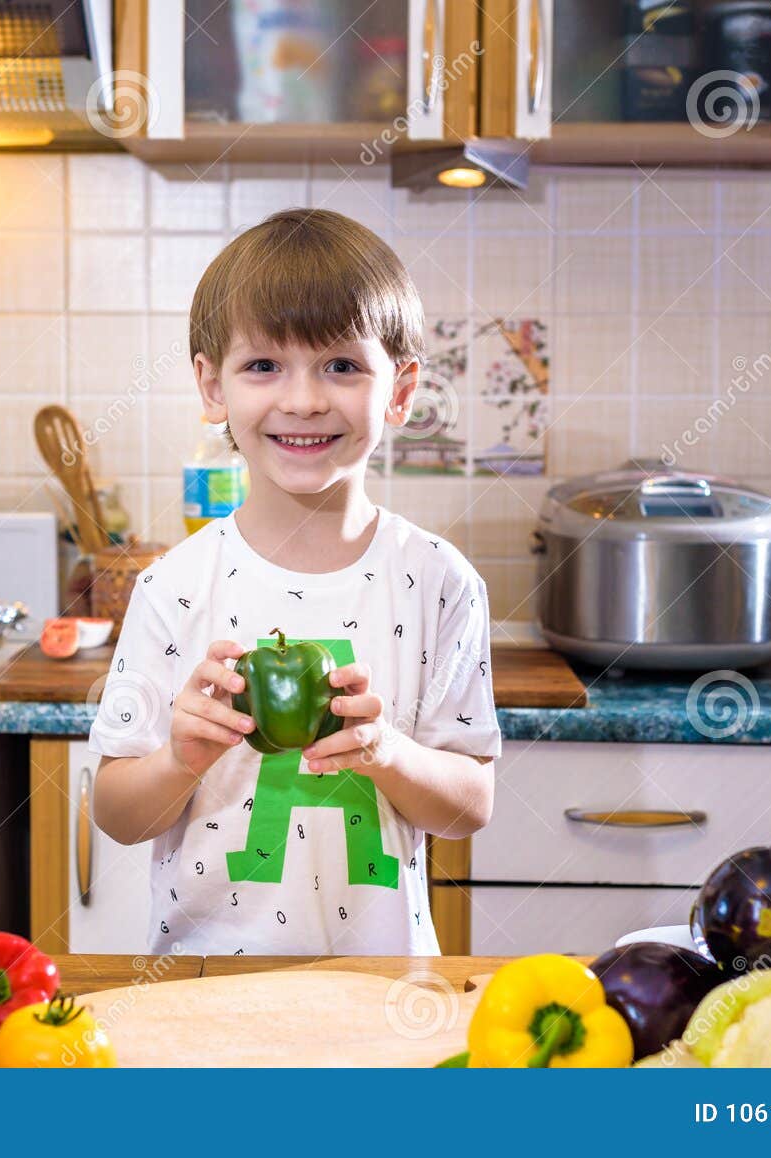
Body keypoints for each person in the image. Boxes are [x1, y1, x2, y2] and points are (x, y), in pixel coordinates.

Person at [87, 208, 499, 956]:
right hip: (201, 986)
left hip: (383, 994)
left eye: (342, 365)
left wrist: (387, 751)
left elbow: (471, 805)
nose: (304, 400)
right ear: (213, 387)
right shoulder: (172, 587)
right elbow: (116, 813)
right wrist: (180, 755)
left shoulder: (440, 582)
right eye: (263, 366)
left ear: (400, 390)